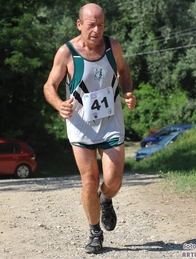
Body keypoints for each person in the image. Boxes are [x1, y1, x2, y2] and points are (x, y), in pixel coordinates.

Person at [43, 3, 136, 254]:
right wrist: (58, 104)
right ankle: (95, 232)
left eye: (101, 25)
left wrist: (127, 92)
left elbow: (124, 71)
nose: (96, 30)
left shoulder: (113, 47)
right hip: (81, 125)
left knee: (114, 181)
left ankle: (106, 199)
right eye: (91, 25)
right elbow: (49, 86)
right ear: (79, 24)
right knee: (89, 180)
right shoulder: (66, 52)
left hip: (111, 123)